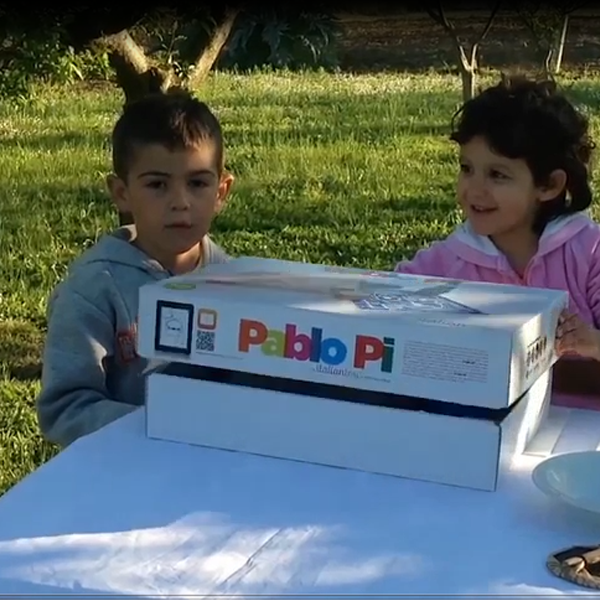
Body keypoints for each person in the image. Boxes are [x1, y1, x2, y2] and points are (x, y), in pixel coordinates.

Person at [36, 90, 234, 448]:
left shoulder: (237, 283)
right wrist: (166, 427)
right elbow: (65, 408)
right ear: (121, 193)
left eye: (197, 183)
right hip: (121, 471)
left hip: (220, 466)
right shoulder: (94, 288)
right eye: (157, 185)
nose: (180, 202)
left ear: (221, 191)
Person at [394, 75, 600, 406]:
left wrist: (590, 342)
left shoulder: (590, 252)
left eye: (497, 175)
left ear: (549, 185)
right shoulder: (446, 262)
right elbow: (383, 304)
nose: (473, 189)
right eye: (467, 168)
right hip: (484, 427)